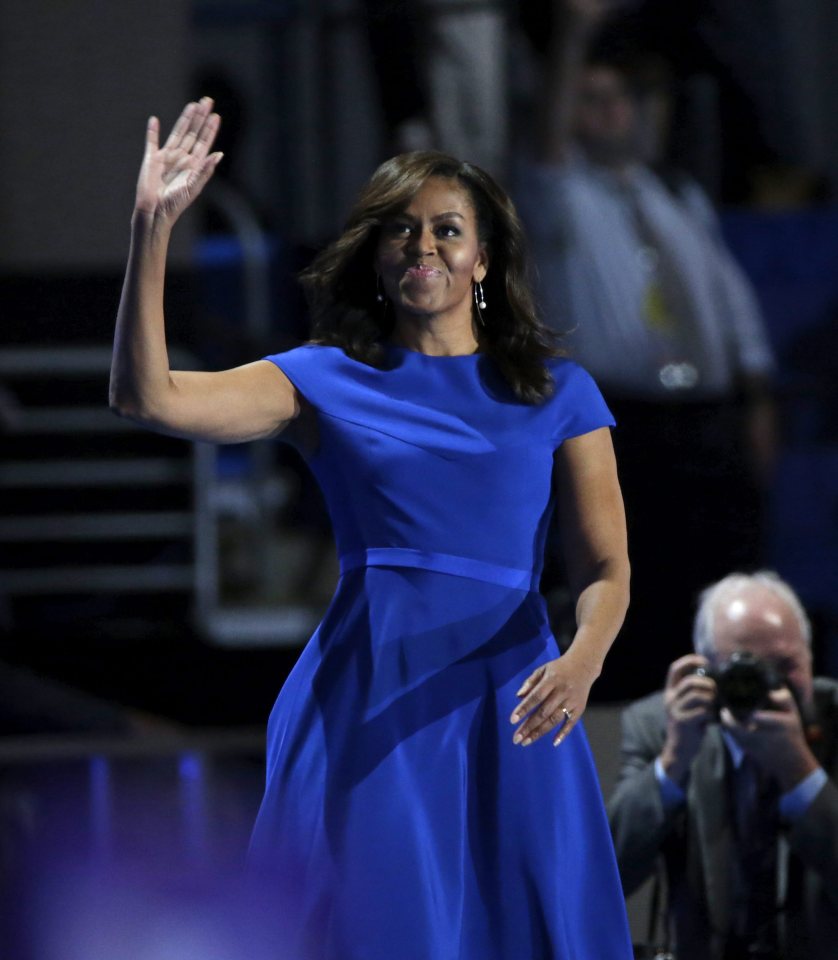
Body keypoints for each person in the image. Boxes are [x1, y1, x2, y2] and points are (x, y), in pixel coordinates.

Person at [109, 97, 633, 959]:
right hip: (369, 696)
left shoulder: (559, 393)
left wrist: (581, 664)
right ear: (377, 256)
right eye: (400, 230)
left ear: (483, 261)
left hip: (515, 699)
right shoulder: (324, 380)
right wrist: (151, 228)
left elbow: (607, 568)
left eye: (446, 230)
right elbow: (147, 397)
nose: (421, 245)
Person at [514, 0, 778, 699]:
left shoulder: (672, 193)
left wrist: (754, 394)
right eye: (589, 101)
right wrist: (573, 34)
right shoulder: (560, 198)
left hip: (705, 412)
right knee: (638, 579)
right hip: (626, 416)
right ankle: (634, 731)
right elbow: (546, 146)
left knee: (720, 575)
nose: (607, 113)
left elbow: (728, 301)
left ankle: (727, 710)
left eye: (617, 100)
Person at [608, 572, 838, 960]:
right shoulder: (661, 726)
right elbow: (607, 874)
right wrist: (673, 761)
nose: (770, 686)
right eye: (746, 669)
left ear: (810, 656)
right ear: (705, 670)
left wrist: (800, 772)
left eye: (786, 666)